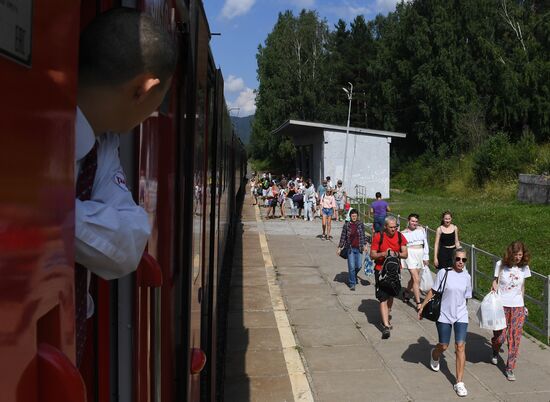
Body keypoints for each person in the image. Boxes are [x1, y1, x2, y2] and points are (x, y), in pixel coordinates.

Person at [76, 7, 177, 366]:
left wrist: (45, 215)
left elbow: (130, 241)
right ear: (144, 88)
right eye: (158, 101)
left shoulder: (101, 148)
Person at [418, 248, 472, 397]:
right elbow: (433, 291)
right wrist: (422, 306)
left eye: (464, 260)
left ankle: (459, 382)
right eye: (458, 259)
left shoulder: (467, 276)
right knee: (444, 345)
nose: (461, 262)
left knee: (460, 346)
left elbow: (466, 297)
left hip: (461, 314)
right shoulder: (444, 273)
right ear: (453, 259)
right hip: (444, 314)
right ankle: (435, 354)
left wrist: (463, 313)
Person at [490, 241, 531, 381]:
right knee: (500, 337)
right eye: (516, 254)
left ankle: (510, 368)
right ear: (510, 253)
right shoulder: (500, 265)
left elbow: (522, 287)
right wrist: (494, 287)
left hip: (518, 306)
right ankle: (495, 348)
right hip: (502, 306)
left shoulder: (524, 268)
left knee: (515, 338)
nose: (518, 257)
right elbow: (495, 281)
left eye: (520, 254)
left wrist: (523, 305)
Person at [370, 216, 408, 339]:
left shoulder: (400, 236)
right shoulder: (378, 237)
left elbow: (405, 254)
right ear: (385, 227)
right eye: (391, 227)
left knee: (391, 296)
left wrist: (396, 254)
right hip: (380, 271)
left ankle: (386, 314)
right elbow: (372, 255)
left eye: (395, 227)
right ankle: (386, 326)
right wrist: (383, 253)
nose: (393, 229)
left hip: (395, 272)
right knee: (383, 298)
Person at [401, 213, 430, 308]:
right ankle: (418, 303)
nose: (414, 223)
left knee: (414, 279)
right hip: (410, 255)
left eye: (416, 221)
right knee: (416, 279)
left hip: (420, 254)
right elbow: (401, 247)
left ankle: (406, 292)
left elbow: (425, 244)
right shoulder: (403, 233)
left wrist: (426, 257)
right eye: (413, 221)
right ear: (408, 221)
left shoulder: (421, 230)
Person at [337, 209, 367, 291]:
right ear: (350, 216)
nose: (354, 217)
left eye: (355, 216)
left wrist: (365, 245)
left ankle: (353, 276)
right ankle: (352, 283)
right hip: (350, 249)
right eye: (352, 216)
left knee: (359, 265)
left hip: (359, 248)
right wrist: (339, 247)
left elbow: (363, 235)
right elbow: (343, 237)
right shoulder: (346, 225)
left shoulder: (360, 224)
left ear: (357, 216)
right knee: (352, 267)